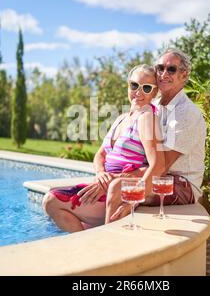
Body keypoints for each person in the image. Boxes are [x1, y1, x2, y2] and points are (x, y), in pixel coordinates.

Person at [43, 64, 165, 232]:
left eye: (146, 88)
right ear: (128, 85)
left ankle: (96, 245)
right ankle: (89, 244)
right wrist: (101, 173)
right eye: (134, 85)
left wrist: (134, 197)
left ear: (155, 92)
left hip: (116, 191)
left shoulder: (146, 117)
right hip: (103, 184)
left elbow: (158, 165)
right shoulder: (121, 118)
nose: (139, 92)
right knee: (51, 201)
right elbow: (100, 154)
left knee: (51, 201)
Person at [109, 48, 206, 221]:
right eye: (160, 68)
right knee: (108, 185)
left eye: (171, 69)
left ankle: (108, 242)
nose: (163, 74)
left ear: (184, 75)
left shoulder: (187, 113)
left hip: (181, 184)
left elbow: (162, 166)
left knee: (118, 187)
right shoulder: (153, 105)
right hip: (157, 174)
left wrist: (121, 178)